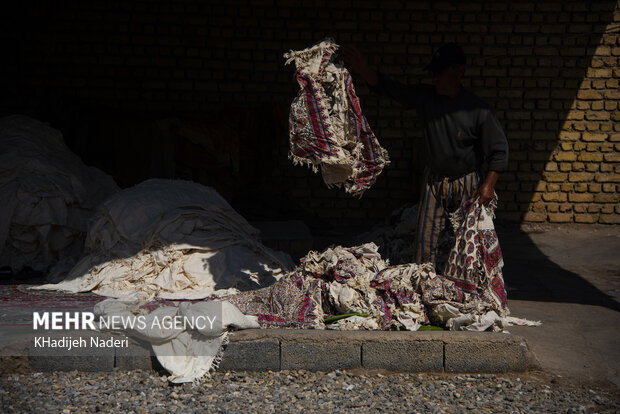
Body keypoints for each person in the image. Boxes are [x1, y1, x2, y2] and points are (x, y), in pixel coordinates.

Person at [343, 43, 509, 270]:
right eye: (433, 73)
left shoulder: (478, 110)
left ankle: (465, 286)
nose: (435, 78)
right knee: (425, 239)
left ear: (458, 71)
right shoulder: (426, 98)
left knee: (468, 240)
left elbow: (499, 151)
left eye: (440, 72)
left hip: (468, 182)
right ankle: (425, 284)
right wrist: (363, 69)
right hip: (435, 182)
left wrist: (488, 186)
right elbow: (391, 88)